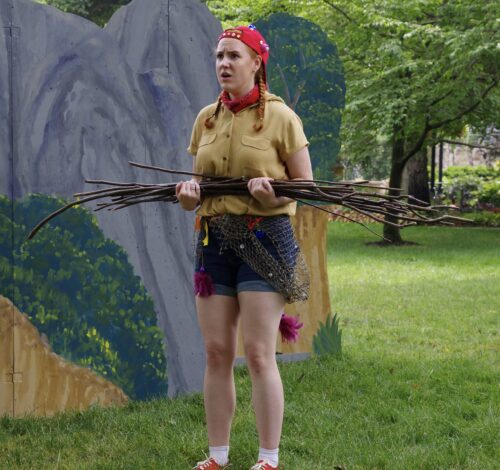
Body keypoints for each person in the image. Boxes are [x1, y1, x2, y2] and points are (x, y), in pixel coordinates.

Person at [176, 24, 313, 470]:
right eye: (219, 56)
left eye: (234, 56)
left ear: (256, 63)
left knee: (257, 353)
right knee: (217, 351)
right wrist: (188, 198)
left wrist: (276, 196)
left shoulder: (281, 118)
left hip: (264, 240)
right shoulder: (206, 118)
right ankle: (217, 457)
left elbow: (306, 187)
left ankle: (268, 460)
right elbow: (197, 184)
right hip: (213, 241)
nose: (224, 64)